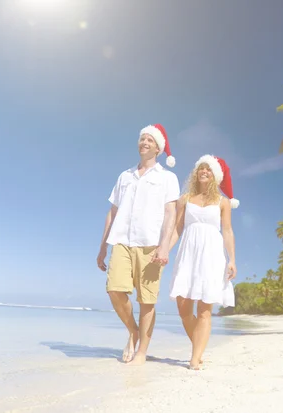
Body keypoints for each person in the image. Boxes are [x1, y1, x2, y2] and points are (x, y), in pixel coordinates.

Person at [96, 123, 180, 366]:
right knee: (114, 290)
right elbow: (112, 212)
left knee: (147, 300)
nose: (144, 142)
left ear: (158, 148)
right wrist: (102, 246)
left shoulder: (168, 178)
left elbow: (170, 213)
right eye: (142, 138)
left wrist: (164, 246)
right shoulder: (125, 176)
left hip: (150, 243)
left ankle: (142, 351)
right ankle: (133, 331)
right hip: (121, 240)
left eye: (150, 140)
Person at [168, 154, 239, 370]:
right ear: (196, 172)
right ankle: (199, 346)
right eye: (201, 168)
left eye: (208, 169)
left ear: (216, 176)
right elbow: (178, 228)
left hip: (211, 254)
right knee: (183, 307)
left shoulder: (223, 202)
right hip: (188, 253)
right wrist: (164, 251)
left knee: (204, 309)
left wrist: (232, 260)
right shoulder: (186, 198)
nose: (204, 172)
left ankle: (194, 357)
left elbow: (227, 231)